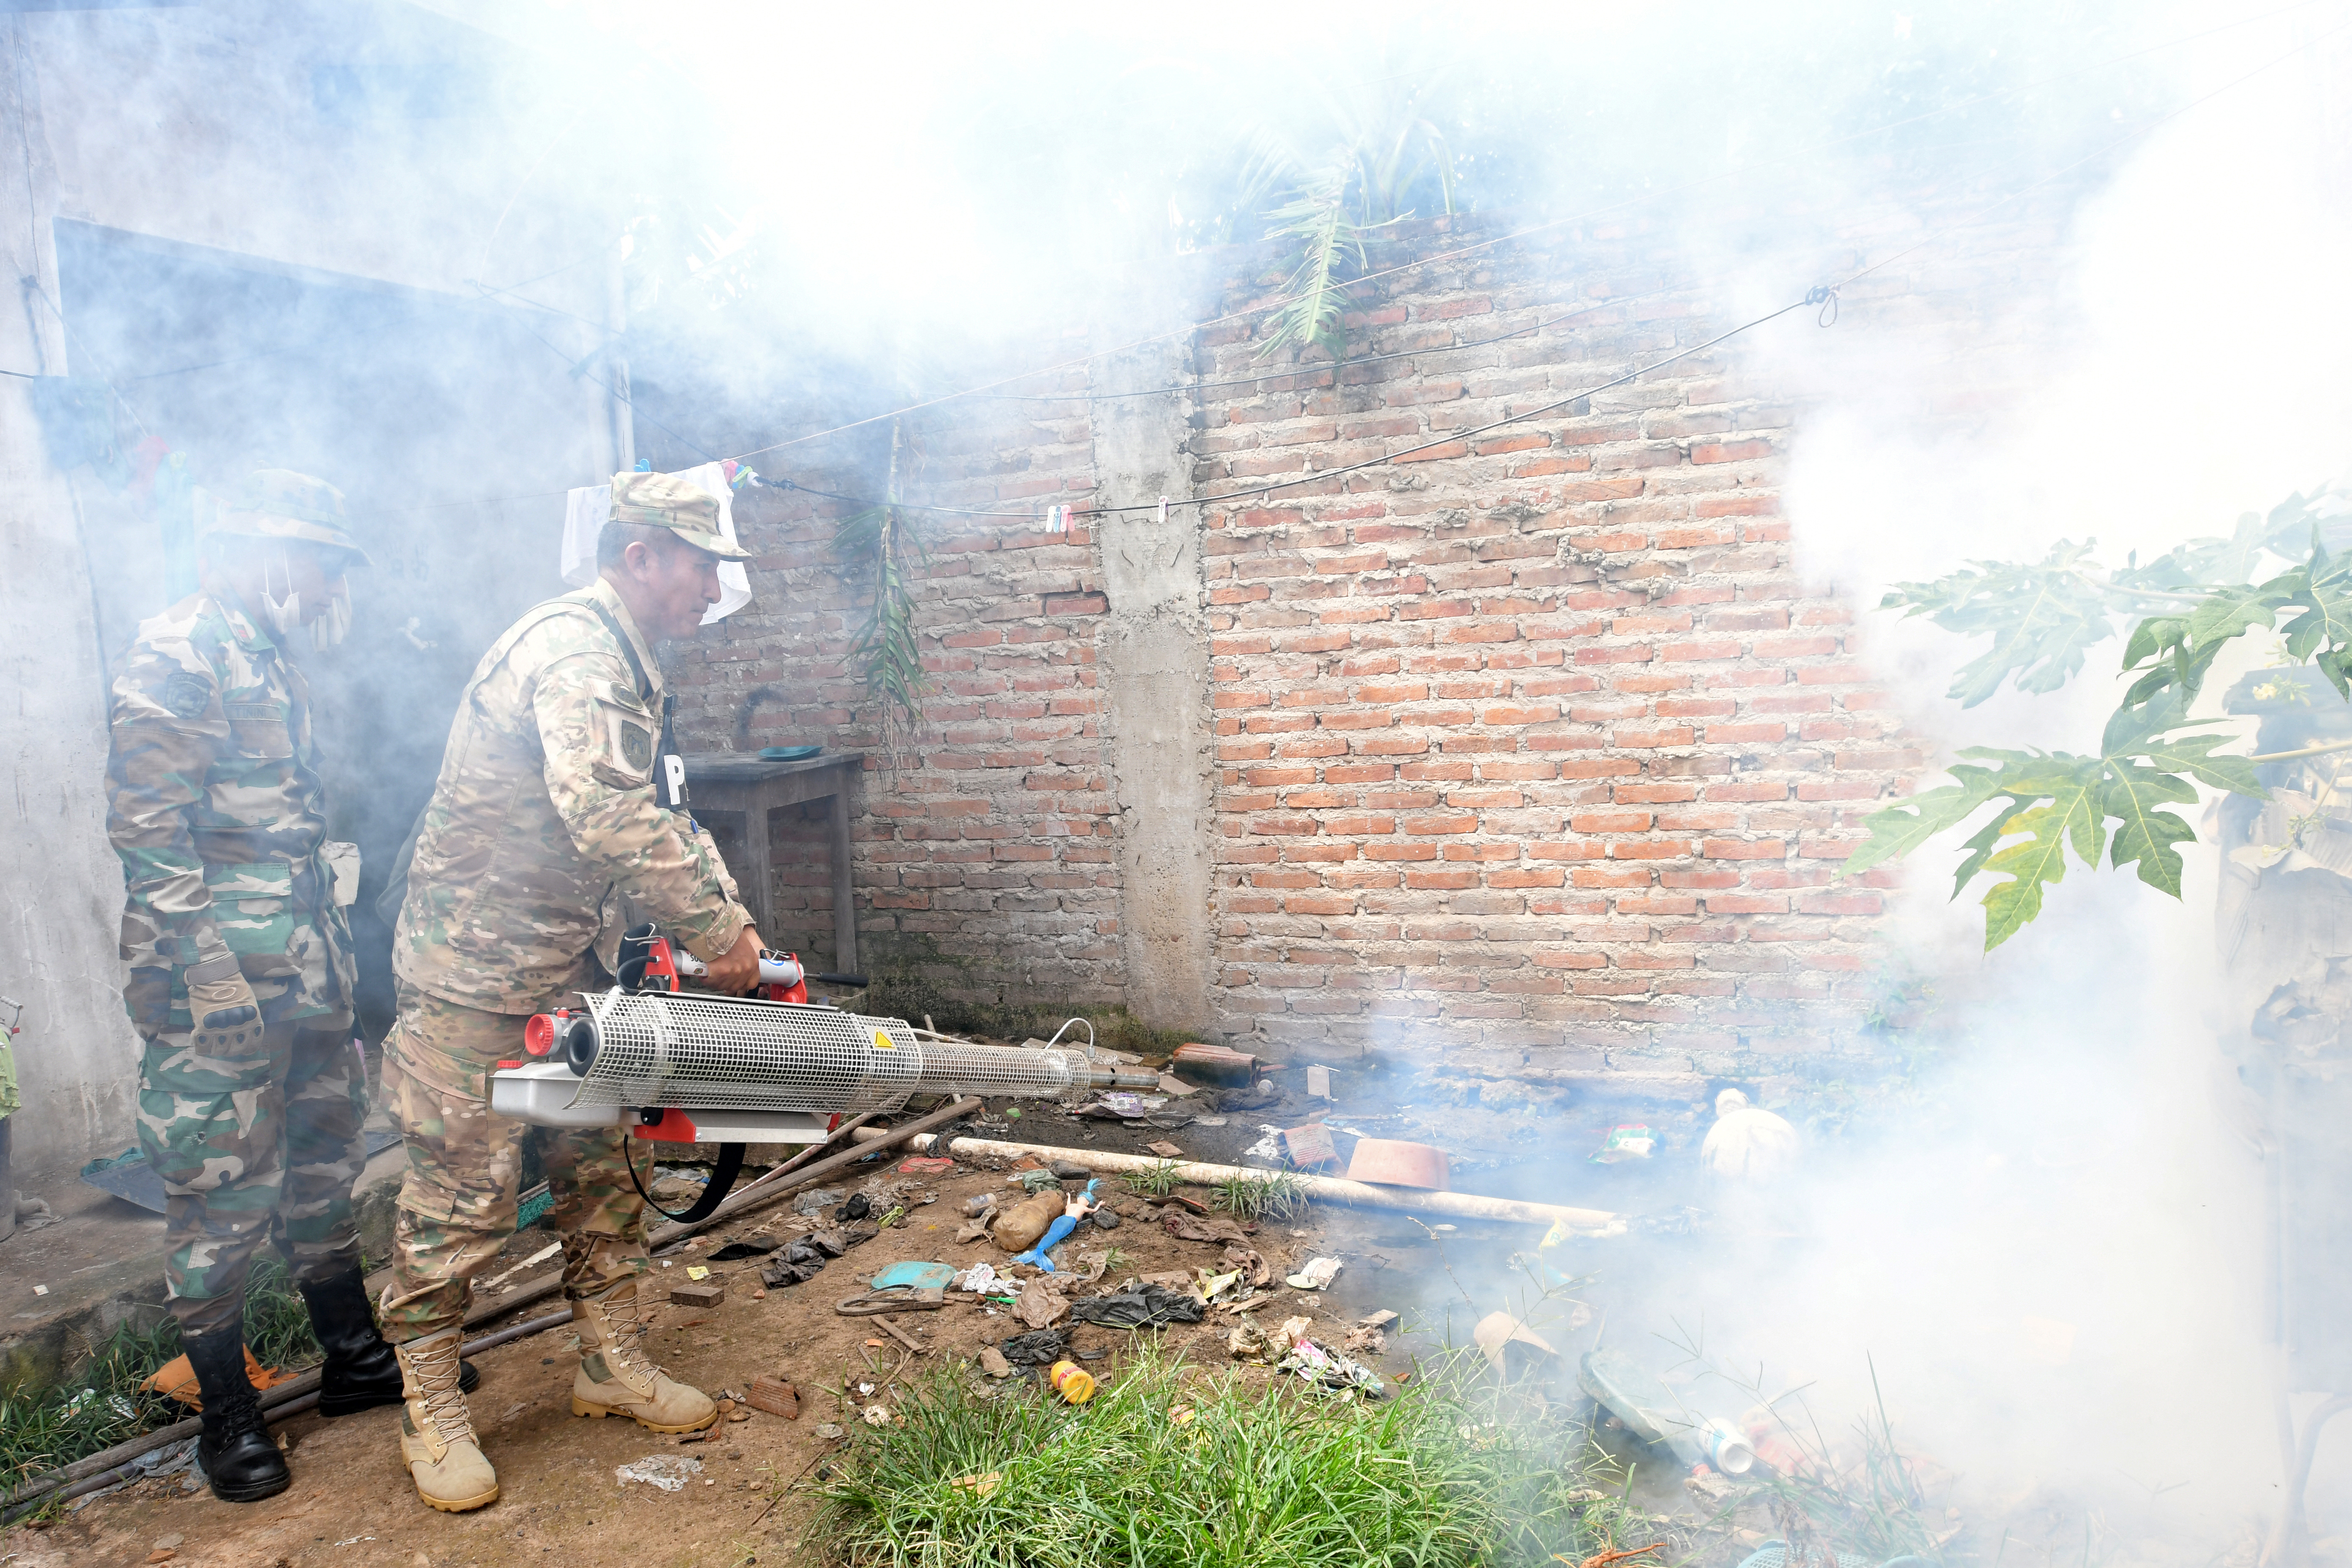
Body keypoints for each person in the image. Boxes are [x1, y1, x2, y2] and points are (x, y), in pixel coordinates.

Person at [379, 469, 763, 1512]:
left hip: (562, 968)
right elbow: (603, 810)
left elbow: (662, 804)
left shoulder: (628, 658)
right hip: (477, 973)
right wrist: (715, 929)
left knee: (596, 1170)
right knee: (462, 1196)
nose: (711, 591)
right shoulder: (578, 650)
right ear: (639, 555)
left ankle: (607, 1360)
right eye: (700, 567)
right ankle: (429, 1401)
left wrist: (731, 915)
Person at [106, 469, 455, 1504]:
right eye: (313, 559)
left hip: (303, 970)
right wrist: (211, 974)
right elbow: (147, 833)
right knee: (217, 1191)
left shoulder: (269, 650)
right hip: (215, 988)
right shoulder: (179, 649)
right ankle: (229, 1413)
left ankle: (350, 1353)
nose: (319, 581)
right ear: (258, 546)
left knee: (319, 1158)